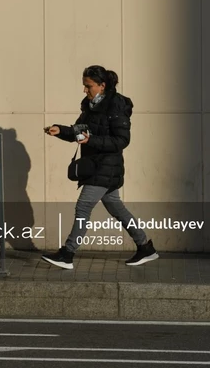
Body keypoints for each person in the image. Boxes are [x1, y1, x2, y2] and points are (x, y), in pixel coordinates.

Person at [41, 65, 158, 270]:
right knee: (116, 207)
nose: (85, 90)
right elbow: (81, 133)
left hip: (106, 168)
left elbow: (121, 140)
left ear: (102, 86)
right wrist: (60, 130)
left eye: (88, 86)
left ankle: (67, 254)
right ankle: (145, 247)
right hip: (96, 167)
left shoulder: (116, 106)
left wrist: (92, 141)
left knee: (83, 207)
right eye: (84, 86)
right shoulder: (89, 105)